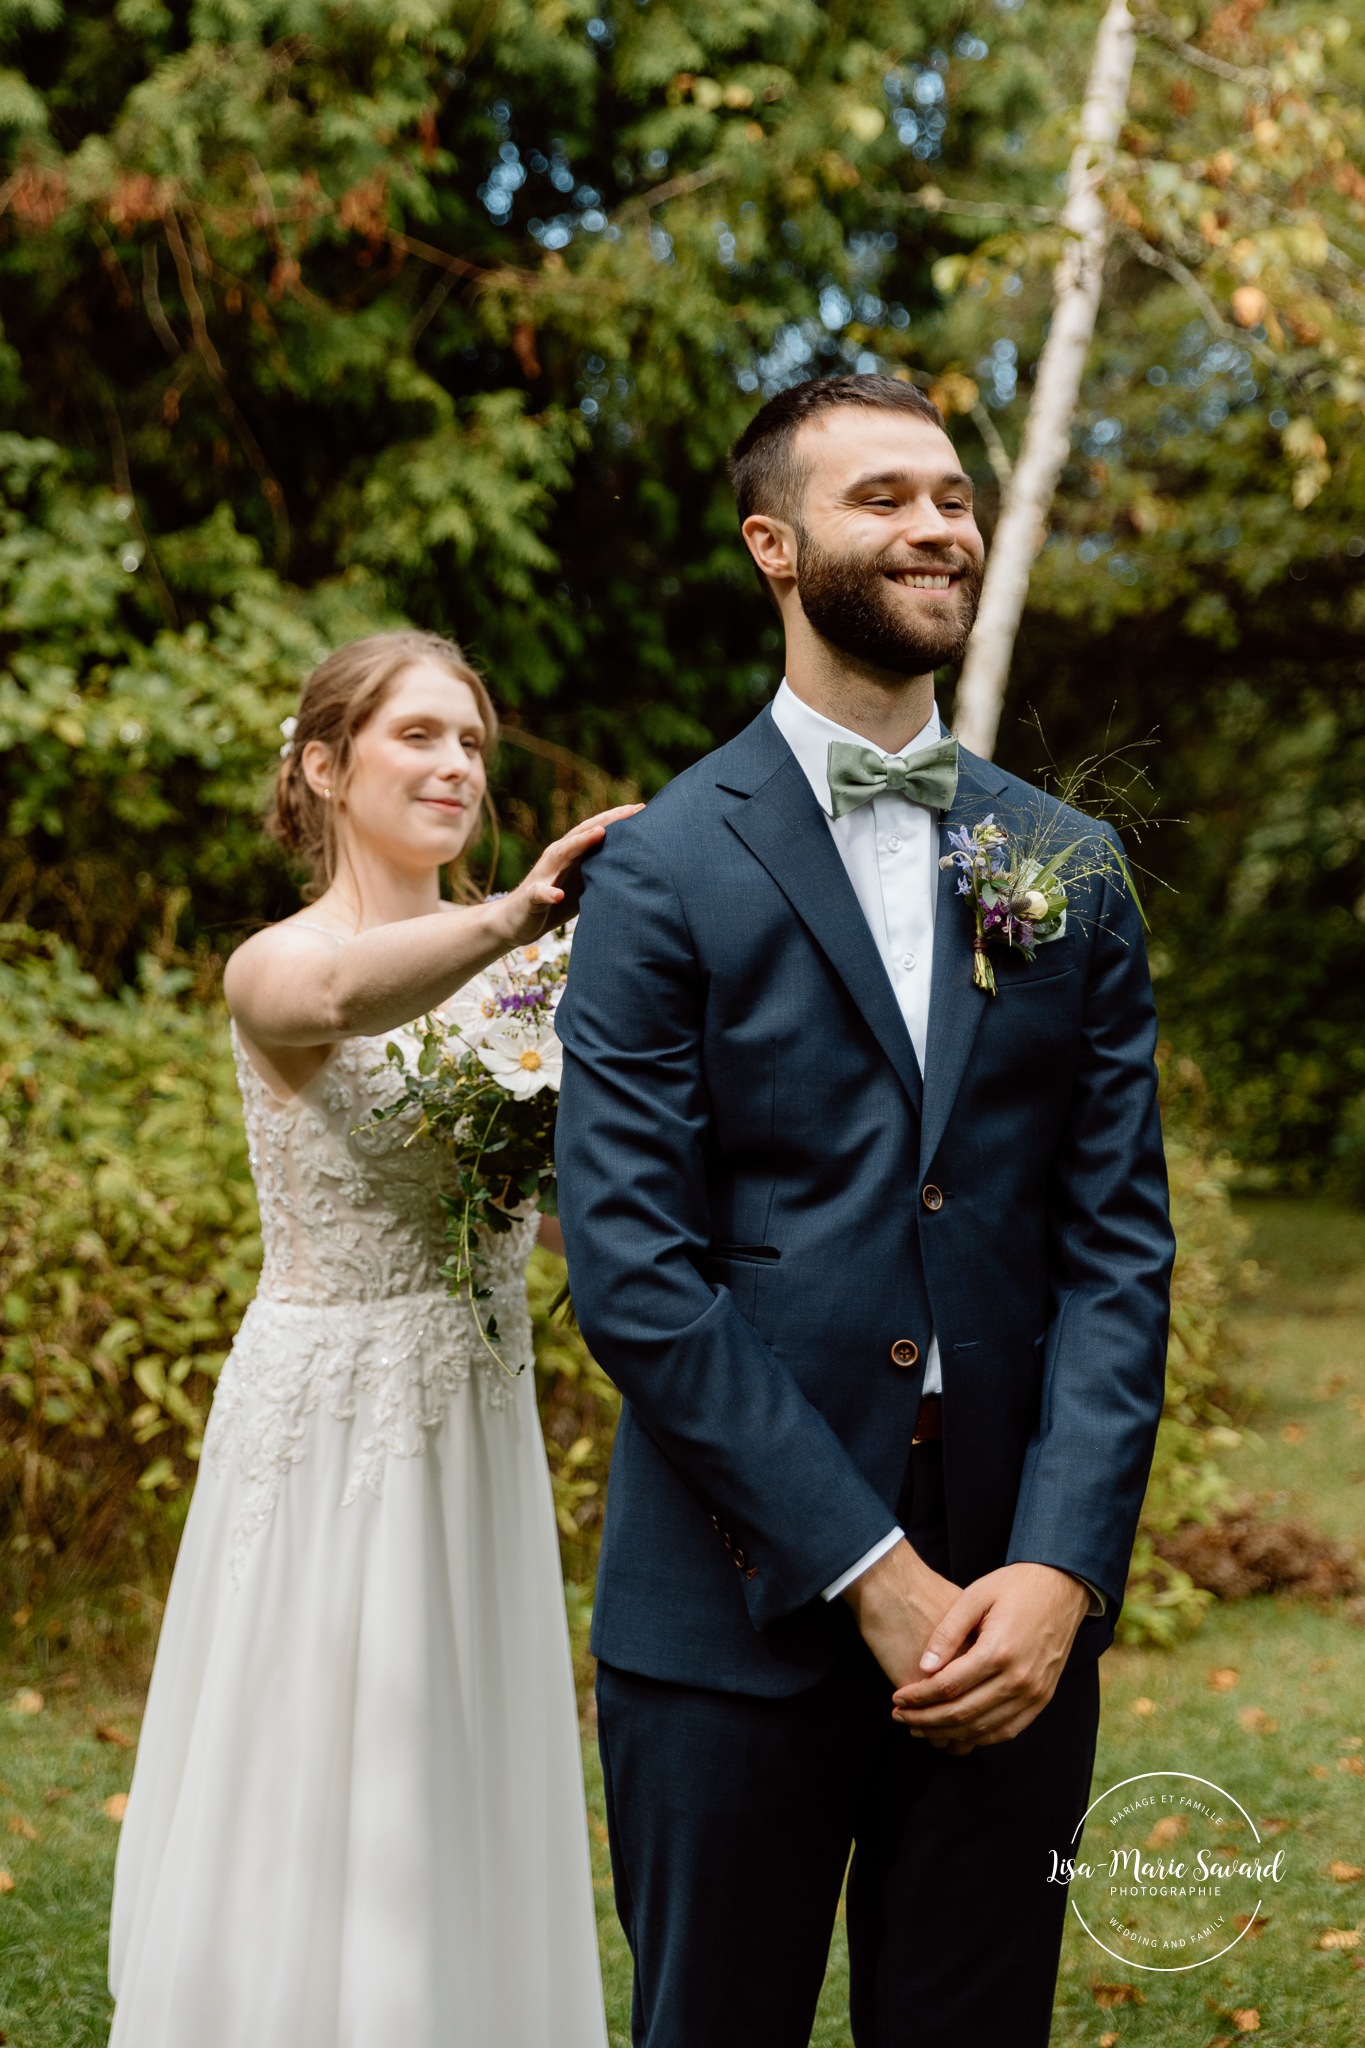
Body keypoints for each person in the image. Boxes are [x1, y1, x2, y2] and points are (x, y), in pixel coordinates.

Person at [554, 375, 1175, 2048]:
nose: (938, 528)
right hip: (734, 1601)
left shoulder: (1068, 863)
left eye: (953, 497)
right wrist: (861, 1566)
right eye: (884, 498)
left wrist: (1059, 1565)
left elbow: (1117, 1248)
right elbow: (631, 1270)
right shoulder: (660, 867)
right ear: (775, 545)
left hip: (1010, 1616)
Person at [109, 629, 635, 2048]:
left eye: (471, 741)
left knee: (460, 1754)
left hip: (476, 1411)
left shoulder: (530, 974)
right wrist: (525, 916)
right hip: (332, 1415)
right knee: (327, 1755)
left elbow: (567, 1202)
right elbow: (335, 1006)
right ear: (326, 769)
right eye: (419, 736)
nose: (456, 764)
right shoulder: (279, 963)